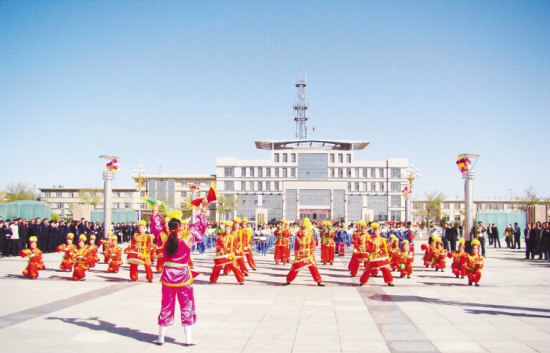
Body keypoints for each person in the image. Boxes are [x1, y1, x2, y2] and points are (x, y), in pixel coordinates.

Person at [152, 199, 208, 346]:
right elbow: (199, 227)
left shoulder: (163, 238)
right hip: (183, 275)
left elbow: (155, 227)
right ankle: (188, 339)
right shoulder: (187, 237)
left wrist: (155, 210)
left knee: (166, 305)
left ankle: (161, 337)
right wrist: (204, 209)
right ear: (181, 226)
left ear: (169, 226)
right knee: (187, 305)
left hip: (167, 276)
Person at [284, 218, 324, 286]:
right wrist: (296, 253)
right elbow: (296, 247)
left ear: (308, 231)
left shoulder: (310, 237)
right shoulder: (298, 237)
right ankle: (288, 280)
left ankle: (319, 281)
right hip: (300, 255)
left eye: (306, 230)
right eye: (303, 230)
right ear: (301, 230)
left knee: (314, 268)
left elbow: (312, 246)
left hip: (309, 255)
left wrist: (310, 253)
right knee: (295, 267)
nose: (305, 232)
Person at [359, 222, 394, 287]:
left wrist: (381, 251)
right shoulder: (370, 240)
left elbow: (385, 248)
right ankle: (363, 281)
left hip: (381, 256)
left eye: (377, 231)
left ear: (379, 231)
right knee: (368, 269)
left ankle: (389, 281)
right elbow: (367, 248)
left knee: (386, 268)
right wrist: (373, 252)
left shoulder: (383, 240)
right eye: (374, 231)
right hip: (373, 256)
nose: (375, 232)